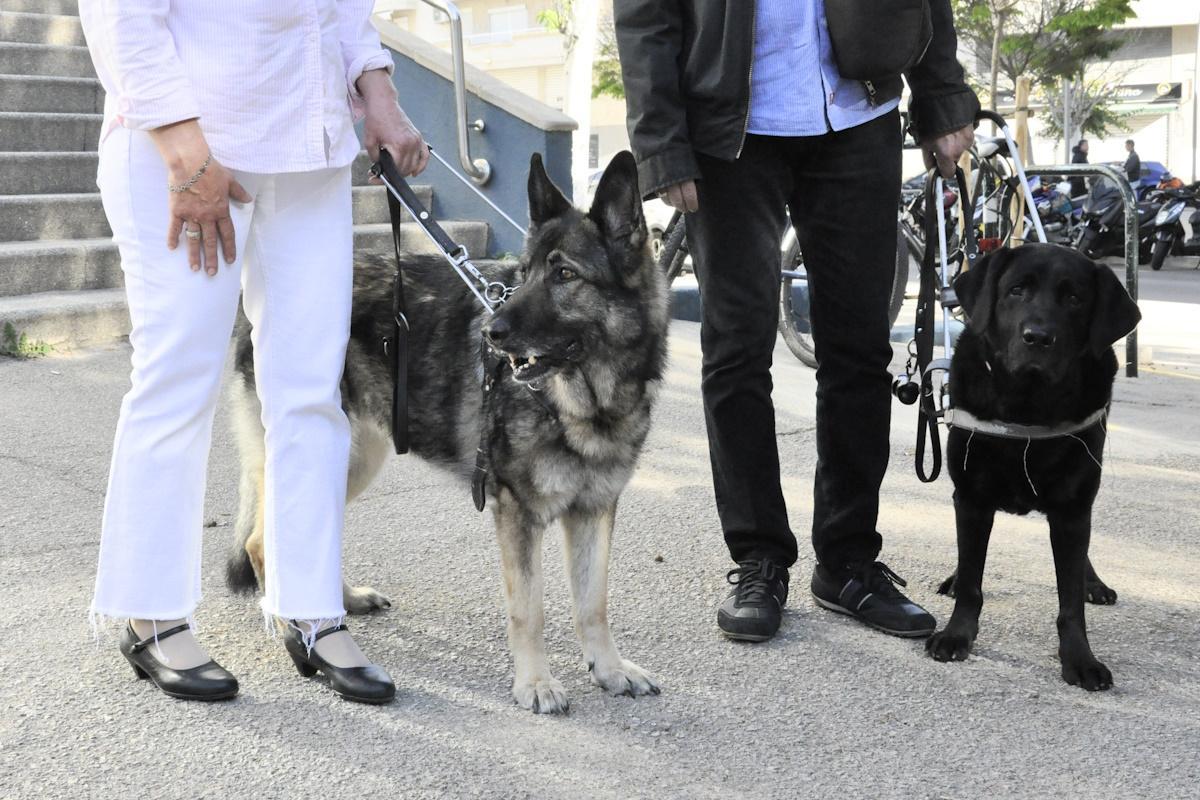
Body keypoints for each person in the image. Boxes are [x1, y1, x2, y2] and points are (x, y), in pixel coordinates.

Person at [80, 0, 429, 703]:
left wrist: (380, 95)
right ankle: (149, 613)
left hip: (309, 145)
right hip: (185, 146)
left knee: (310, 390)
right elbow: (122, 13)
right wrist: (184, 151)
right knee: (178, 379)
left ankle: (309, 607)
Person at [615, 0, 979, 642]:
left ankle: (847, 561)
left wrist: (944, 98)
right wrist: (661, 144)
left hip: (858, 118)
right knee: (735, 351)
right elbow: (646, 15)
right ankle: (758, 558)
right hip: (729, 130)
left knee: (860, 354)